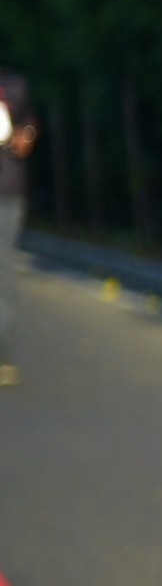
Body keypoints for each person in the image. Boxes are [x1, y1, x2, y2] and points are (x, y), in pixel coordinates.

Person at [0, 60, 35, 386]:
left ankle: (2, 352)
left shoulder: (15, 86)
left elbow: (29, 125)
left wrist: (26, 137)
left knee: (3, 268)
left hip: (6, 191)